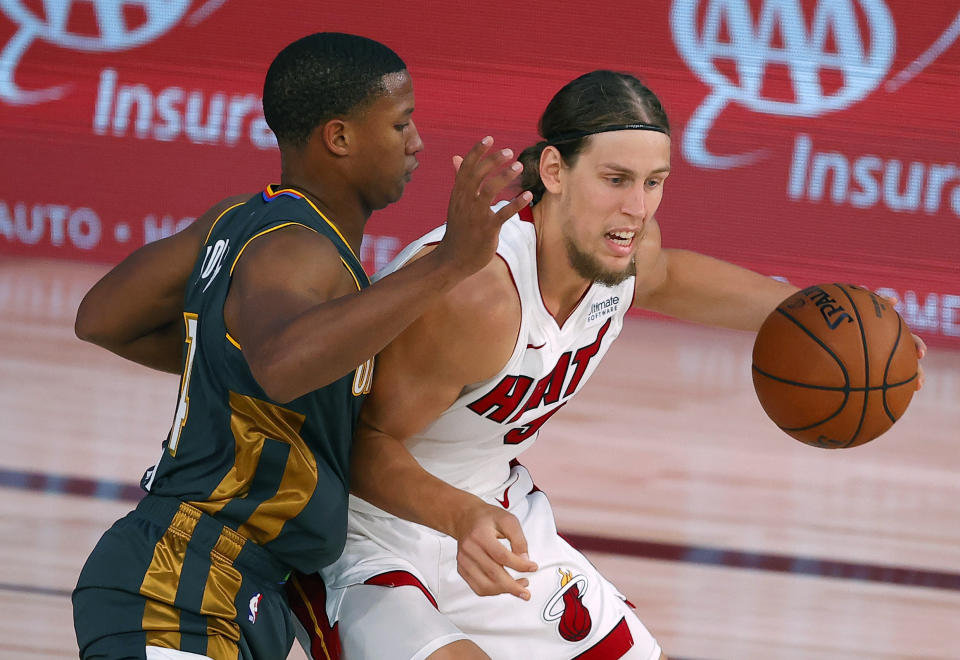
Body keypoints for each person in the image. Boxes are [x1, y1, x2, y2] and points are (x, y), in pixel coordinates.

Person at [288, 70, 927, 660]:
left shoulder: (620, 250)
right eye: (616, 179)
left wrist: (821, 315)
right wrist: (459, 517)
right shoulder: (478, 294)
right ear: (554, 170)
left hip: (493, 516)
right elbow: (357, 445)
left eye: (654, 183)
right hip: (365, 533)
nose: (638, 208)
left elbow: (670, 276)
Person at [71, 32, 530, 660]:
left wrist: (225, 364)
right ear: (339, 137)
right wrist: (449, 263)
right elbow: (283, 366)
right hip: (182, 585)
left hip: (233, 589)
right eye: (400, 124)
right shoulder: (297, 246)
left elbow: (103, 317)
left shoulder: (239, 220)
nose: (417, 141)